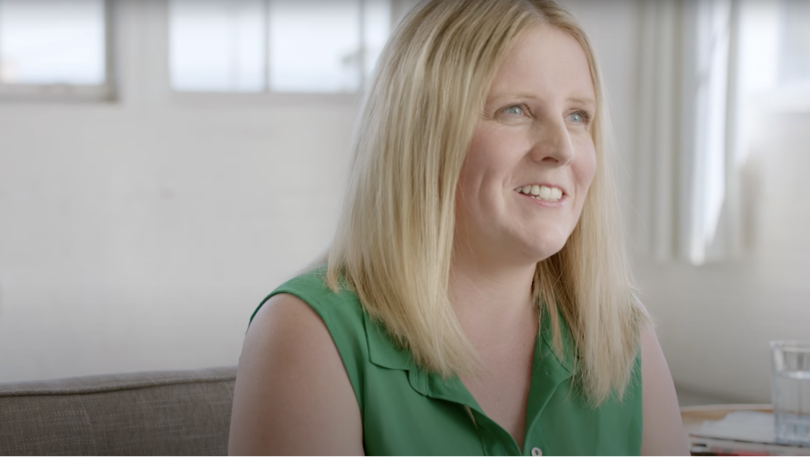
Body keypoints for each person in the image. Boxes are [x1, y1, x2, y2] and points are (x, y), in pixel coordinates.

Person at [228, 0, 689, 455]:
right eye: (516, 110)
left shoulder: (621, 331)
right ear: (423, 135)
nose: (563, 148)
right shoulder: (307, 334)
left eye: (577, 116)